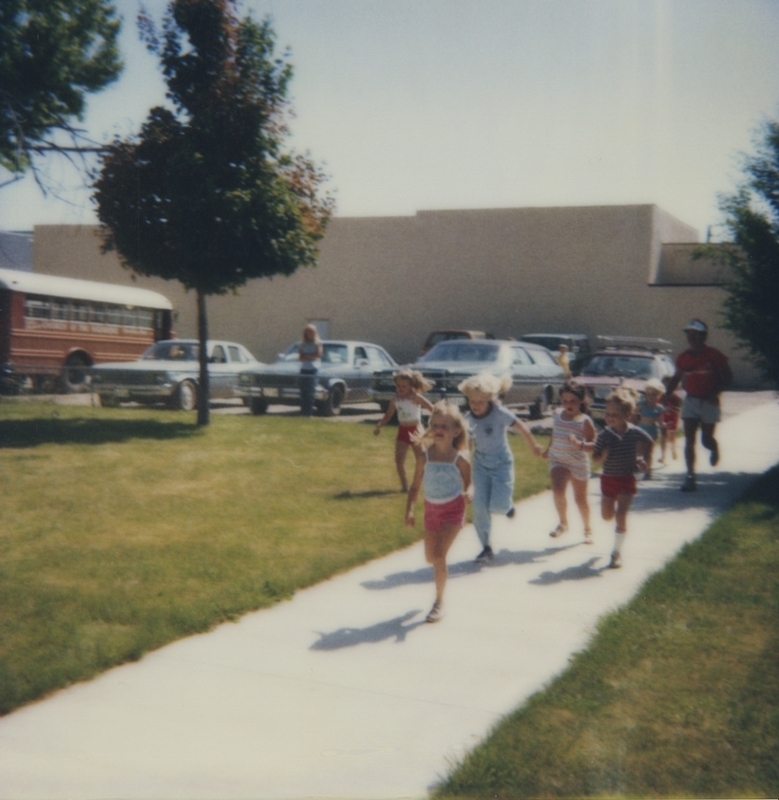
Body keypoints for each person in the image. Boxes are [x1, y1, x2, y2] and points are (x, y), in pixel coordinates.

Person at [458, 372, 542, 563]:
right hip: (480, 464)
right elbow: (467, 445)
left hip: (501, 463)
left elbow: (521, 427)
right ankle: (486, 547)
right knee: (479, 508)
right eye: (472, 401)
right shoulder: (468, 418)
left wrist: (533, 445)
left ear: (489, 399)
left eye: (480, 401)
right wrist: (465, 467)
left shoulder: (500, 413)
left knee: (498, 505)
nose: (476, 405)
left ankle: (508, 506)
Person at [405, 401, 472, 623]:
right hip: (431, 510)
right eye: (435, 425)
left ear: (456, 431)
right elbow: (415, 485)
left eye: (444, 426)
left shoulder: (459, 458)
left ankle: (439, 602)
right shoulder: (424, 456)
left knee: (440, 555)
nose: (439, 430)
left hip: (453, 510)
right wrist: (410, 511)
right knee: (430, 557)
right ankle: (439, 587)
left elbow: (470, 481)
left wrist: (469, 492)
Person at [576, 387, 653, 569]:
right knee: (607, 516)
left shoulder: (634, 432)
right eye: (607, 414)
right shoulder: (604, 435)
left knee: (621, 516)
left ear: (627, 414)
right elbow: (595, 457)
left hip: (627, 478)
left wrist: (643, 460)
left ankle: (616, 553)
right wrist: (601, 456)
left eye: (614, 414)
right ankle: (614, 542)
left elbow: (649, 442)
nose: (609, 418)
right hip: (608, 479)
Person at [664, 319, 732, 492]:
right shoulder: (683, 357)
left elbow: (728, 377)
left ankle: (714, 447)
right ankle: (690, 476)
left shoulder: (714, 355)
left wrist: (715, 392)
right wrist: (666, 394)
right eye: (689, 334)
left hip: (709, 402)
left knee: (706, 439)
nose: (691, 338)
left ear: (703, 336)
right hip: (691, 401)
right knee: (689, 440)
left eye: (695, 334)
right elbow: (676, 378)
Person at [542, 380, 596, 542]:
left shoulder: (584, 421)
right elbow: (555, 434)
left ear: (581, 401)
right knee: (558, 491)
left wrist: (578, 444)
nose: (568, 404)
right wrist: (548, 449)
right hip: (558, 460)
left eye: (572, 401)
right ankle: (563, 523)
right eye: (565, 401)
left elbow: (594, 444)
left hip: (578, 463)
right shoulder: (557, 414)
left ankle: (587, 528)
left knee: (580, 499)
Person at [374, 369, 434, 492]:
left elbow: (431, 408)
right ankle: (404, 486)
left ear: (411, 386)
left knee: (421, 459)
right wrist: (379, 425)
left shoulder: (415, 397)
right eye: (398, 386)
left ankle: (418, 484)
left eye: (404, 386)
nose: (400, 388)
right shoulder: (395, 400)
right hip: (403, 431)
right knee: (399, 459)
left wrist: (439, 422)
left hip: (416, 430)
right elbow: (388, 415)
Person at [633, 377, 664, 479]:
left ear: (659, 396)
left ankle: (648, 471)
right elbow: (633, 413)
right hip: (642, 429)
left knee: (649, 452)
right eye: (648, 394)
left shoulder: (659, 408)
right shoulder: (642, 405)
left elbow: (660, 422)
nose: (651, 397)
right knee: (639, 450)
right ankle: (637, 467)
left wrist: (664, 426)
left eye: (654, 395)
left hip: (652, 431)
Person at [298, 324, 323, 417]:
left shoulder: (318, 343)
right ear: (305, 333)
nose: (310, 334)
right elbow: (300, 357)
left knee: (310, 392)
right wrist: (310, 356)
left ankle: (309, 412)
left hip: (313, 369)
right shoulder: (302, 344)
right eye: (308, 332)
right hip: (304, 369)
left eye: (312, 332)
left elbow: (318, 355)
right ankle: (303, 412)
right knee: (303, 392)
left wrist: (307, 356)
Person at [659, 375, 682, 463]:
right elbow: (659, 406)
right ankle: (663, 456)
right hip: (664, 417)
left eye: (669, 384)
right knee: (663, 435)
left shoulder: (676, 397)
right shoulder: (662, 396)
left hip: (672, 417)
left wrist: (671, 408)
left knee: (671, 435)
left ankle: (673, 449)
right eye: (665, 384)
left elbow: (679, 409)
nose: (667, 386)